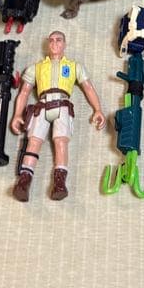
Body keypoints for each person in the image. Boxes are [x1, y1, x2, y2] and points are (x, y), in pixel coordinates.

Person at [10, 30, 105, 201]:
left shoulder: (74, 66)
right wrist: (17, 114)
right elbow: (24, 92)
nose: (54, 43)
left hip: (62, 105)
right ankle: (24, 182)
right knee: (34, 141)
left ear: (64, 44)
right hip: (42, 105)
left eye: (59, 40)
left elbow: (88, 87)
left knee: (61, 141)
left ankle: (59, 183)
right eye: (51, 40)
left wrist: (98, 109)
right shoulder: (37, 67)